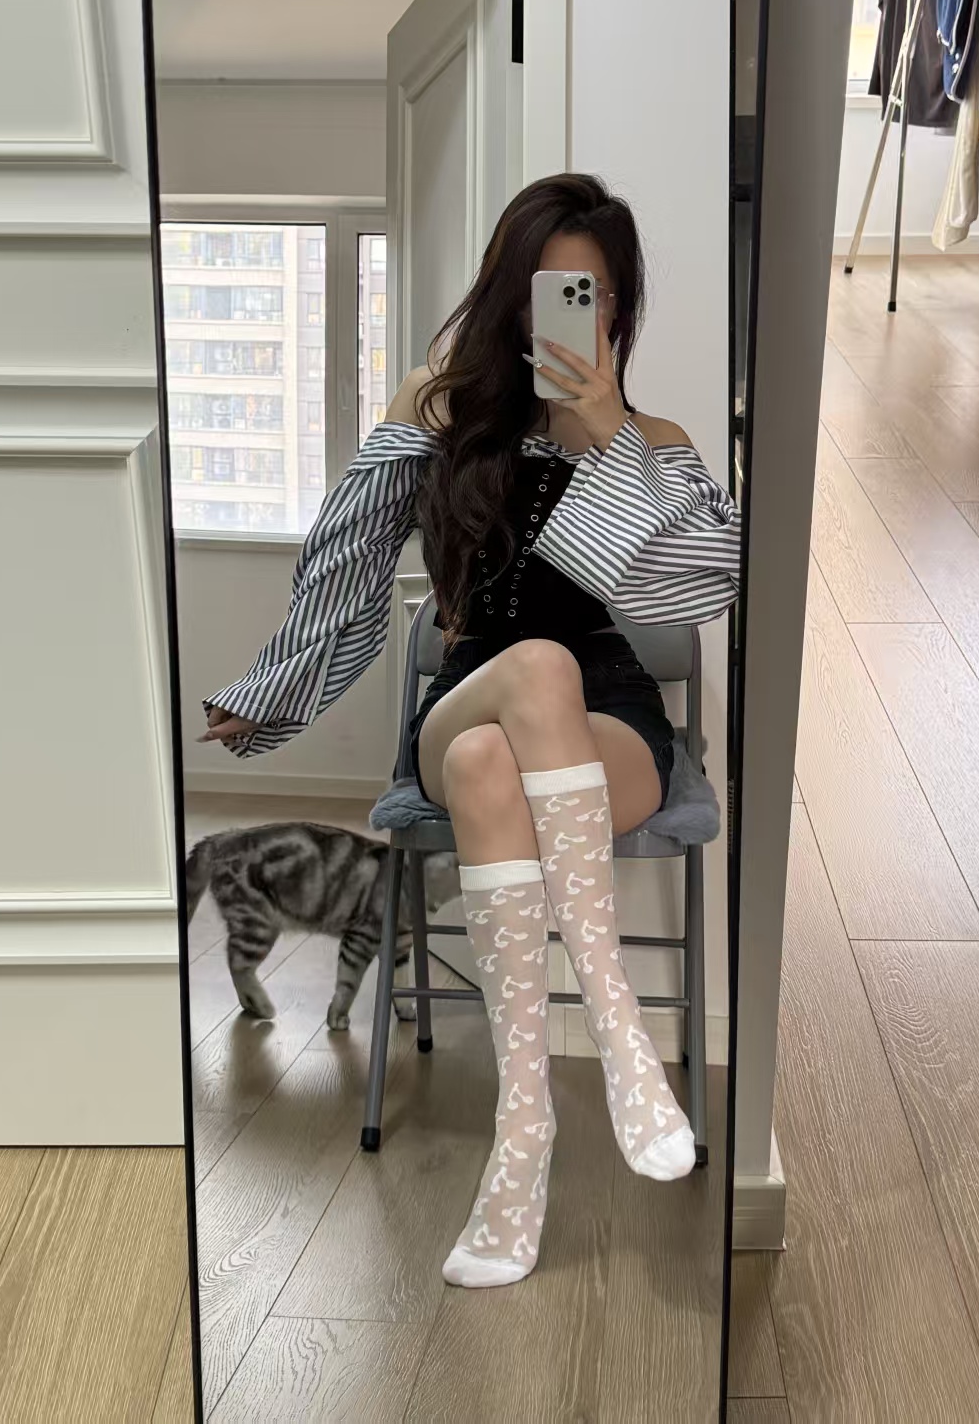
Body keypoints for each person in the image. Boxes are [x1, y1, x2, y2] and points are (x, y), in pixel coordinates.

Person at [201, 173, 741, 1288]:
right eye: (548, 290)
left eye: (591, 293)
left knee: (519, 725)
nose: (569, 314)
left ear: (620, 307)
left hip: (604, 714)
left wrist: (609, 436)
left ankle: (522, 1138)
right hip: (464, 689)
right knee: (527, 670)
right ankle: (619, 1028)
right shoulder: (435, 413)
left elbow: (701, 585)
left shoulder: (654, 439)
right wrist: (269, 690)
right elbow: (347, 560)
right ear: (508, 295)